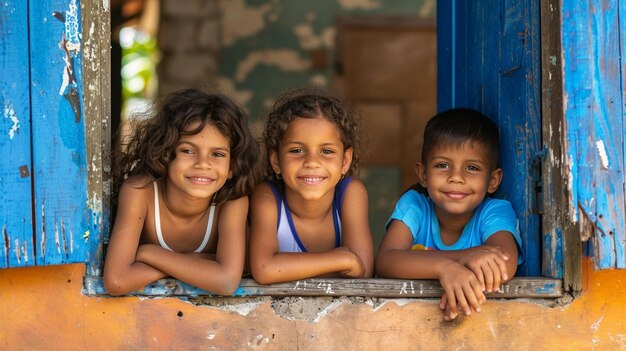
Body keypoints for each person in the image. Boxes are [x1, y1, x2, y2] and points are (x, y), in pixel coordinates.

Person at [103, 88, 261, 295]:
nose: (203, 164)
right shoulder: (140, 191)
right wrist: (204, 264)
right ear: (166, 154)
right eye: (187, 150)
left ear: (232, 167)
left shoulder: (231, 199)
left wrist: (149, 253)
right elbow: (116, 281)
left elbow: (226, 282)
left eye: (217, 154)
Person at [376, 108, 523, 321]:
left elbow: (504, 264)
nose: (456, 177)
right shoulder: (415, 205)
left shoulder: (494, 211)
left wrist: (458, 274)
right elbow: (386, 260)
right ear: (424, 175)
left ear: (492, 181)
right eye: (442, 165)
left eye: (472, 167)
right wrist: (447, 268)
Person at [249, 88, 374, 284]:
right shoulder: (267, 197)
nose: (312, 162)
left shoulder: (351, 193)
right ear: (276, 161)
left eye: (326, 151)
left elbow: (362, 270)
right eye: (297, 150)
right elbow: (264, 269)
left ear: (345, 160)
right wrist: (340, 259)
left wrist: (284, 270)